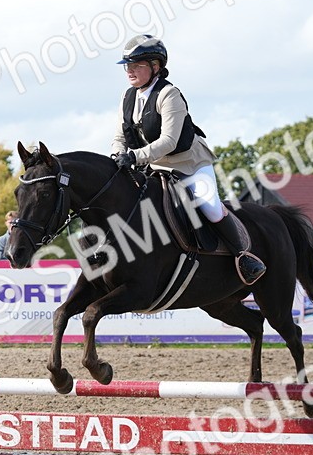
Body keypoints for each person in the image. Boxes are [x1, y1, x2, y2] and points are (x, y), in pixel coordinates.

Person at [110, 34, 265, 284]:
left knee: (209, 205)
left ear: (155, 66)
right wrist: (118, 155)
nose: (130, 70)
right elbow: (120, 136)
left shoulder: (169, 94)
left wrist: (134, 156)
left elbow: (169, 141)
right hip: (153, 166)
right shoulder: (128, 97)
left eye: (137, 65)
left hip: (189, 165)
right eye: (127, 65)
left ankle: (243, 256)